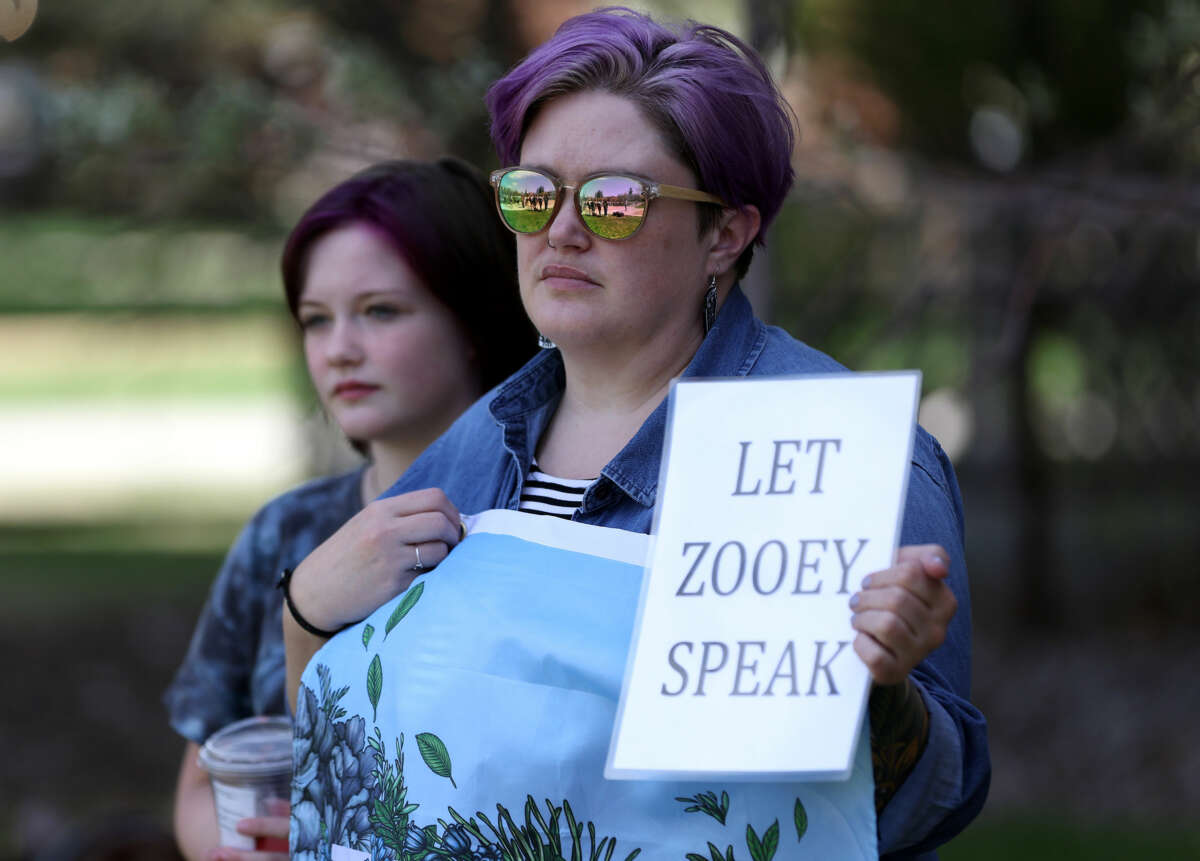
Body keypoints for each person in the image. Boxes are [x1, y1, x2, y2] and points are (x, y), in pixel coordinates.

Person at [283, 9, 990, 859]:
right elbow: (365, 766)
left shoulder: (840, 453)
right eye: (532, 193)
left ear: (726, 233)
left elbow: (931, 806)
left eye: (615, 199)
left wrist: (882, 686)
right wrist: (305, 617)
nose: (562, 229)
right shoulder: (472, 447)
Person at [164, 157, 536, 861]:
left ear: (474, 320)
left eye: (380, 311)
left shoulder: (541, 525)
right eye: (315, 320)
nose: (339, 350)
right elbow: (198, 783)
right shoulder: (284, 532)